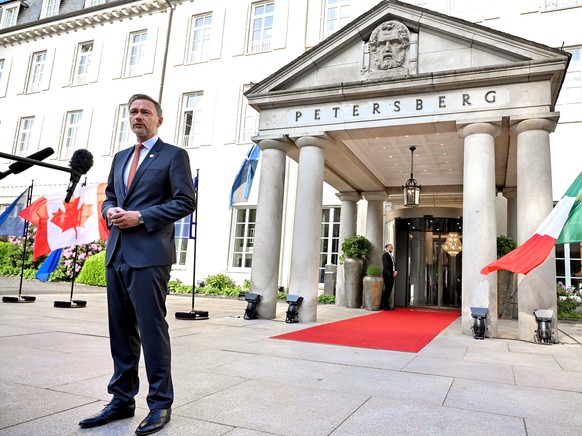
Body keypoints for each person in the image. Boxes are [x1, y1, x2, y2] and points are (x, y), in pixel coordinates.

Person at [79, 94, 196, 435]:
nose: (138, 117)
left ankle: (160, 404)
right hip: (117, 254)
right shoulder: (120, 158)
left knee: (152, 329)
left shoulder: (174, 155)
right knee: (121, 331)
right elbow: (112, 196)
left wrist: (141, 216)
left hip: (149, 256)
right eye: (133, 112)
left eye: (146, 112)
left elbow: (185, 200)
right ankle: (121, 399)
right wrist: (109, 211)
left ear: (159, 119)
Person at [382, 243, 398, 310]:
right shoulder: (385, 255)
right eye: (391, 247)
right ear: (387, 248)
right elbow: (386, 266)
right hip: (388, 275)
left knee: (389, 290)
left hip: (392, 275)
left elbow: (393, 266)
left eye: (392, 248)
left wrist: (396, 271)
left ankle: (387, 305)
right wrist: (392, 273)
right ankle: (384, 305)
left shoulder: (392, 256)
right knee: (387, 290)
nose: (392, 249)